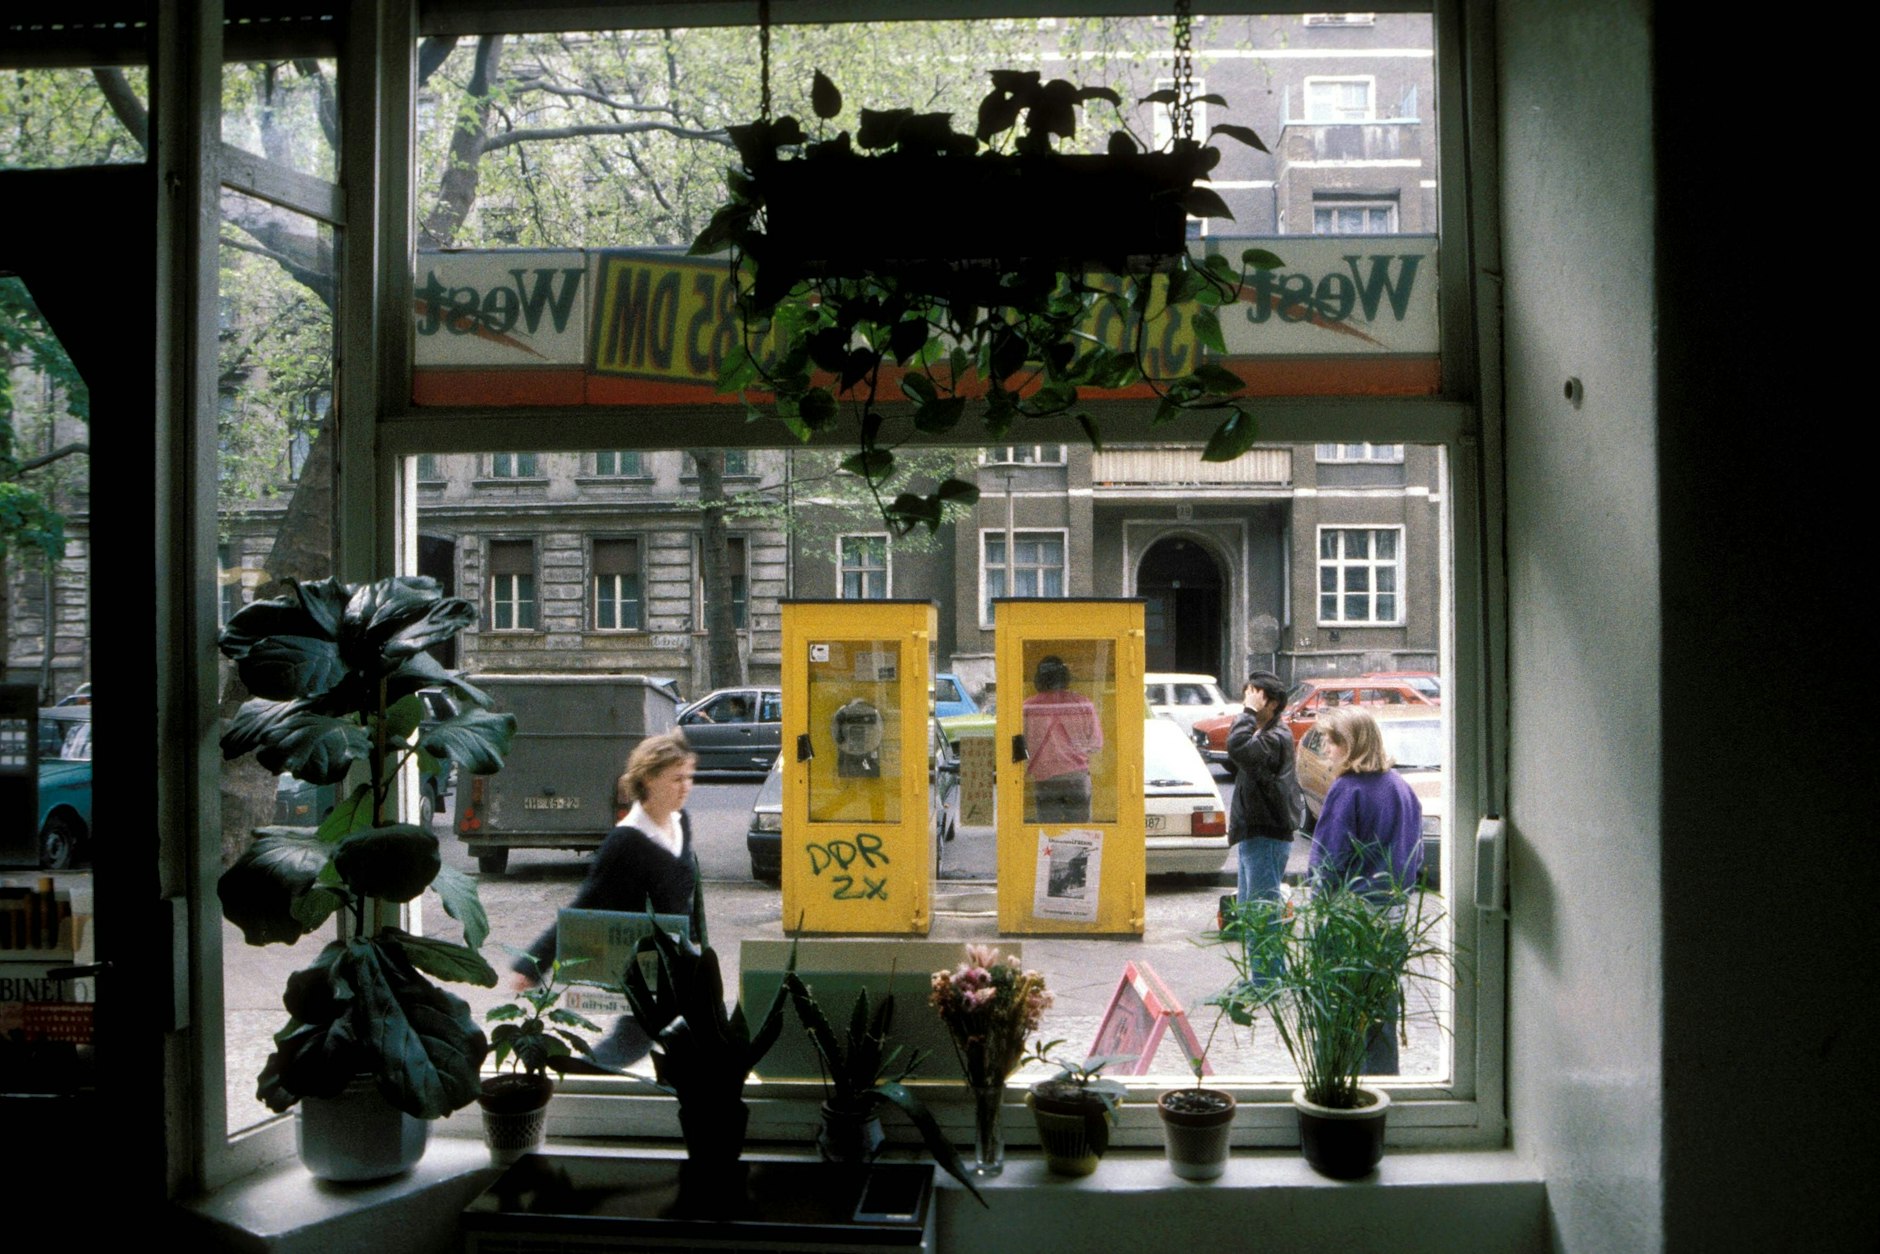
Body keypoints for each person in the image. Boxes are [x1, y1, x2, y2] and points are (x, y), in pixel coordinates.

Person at [512, 730, 706, 1066]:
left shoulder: (680, 821)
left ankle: (586, 1071)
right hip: (645, 963)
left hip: (681, 956)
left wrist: (697, 942)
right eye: (676, 778)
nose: (686, 786)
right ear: (649, 779)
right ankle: (579, 1074)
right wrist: (532, 964)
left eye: (689, 776)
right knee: (635, 1039)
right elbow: (585, 905)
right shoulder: (624, 844)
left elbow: (681, 890)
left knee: (688, 1027)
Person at [1306, 705, 1425, 1074]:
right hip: (1392, 916)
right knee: (1379, 1011)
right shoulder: (1400, 787)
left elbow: (1328, 859)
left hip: (1350, 917)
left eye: (1331, 741)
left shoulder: (1348, 789)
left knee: (1338, 1013)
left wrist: (1317, 908)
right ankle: (1382, 1090)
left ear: (1351, 744)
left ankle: (1340, 1094)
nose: (1325, 749)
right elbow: (1415, 856)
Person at [1224, 670, 1302, 908]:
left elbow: (1238, 747)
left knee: (1262, 916)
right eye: (1246, 699)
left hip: (1266, 837)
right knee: (1251, 914)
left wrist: (1248, 713)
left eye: (1254, 698)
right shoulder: (1265, 733)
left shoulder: (1275, 738)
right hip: (1256, 835)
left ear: (1273, 704)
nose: (1247, 705)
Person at [1021, 654, 1103, 822]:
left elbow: (1018, 746)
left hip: (1044, 778)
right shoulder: (1082, 703)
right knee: (1079, 836)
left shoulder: (1028, 707)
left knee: (1049, 836)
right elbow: (1096, 743)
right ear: (1066, 676)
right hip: (1077, 778)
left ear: (1039, 678)